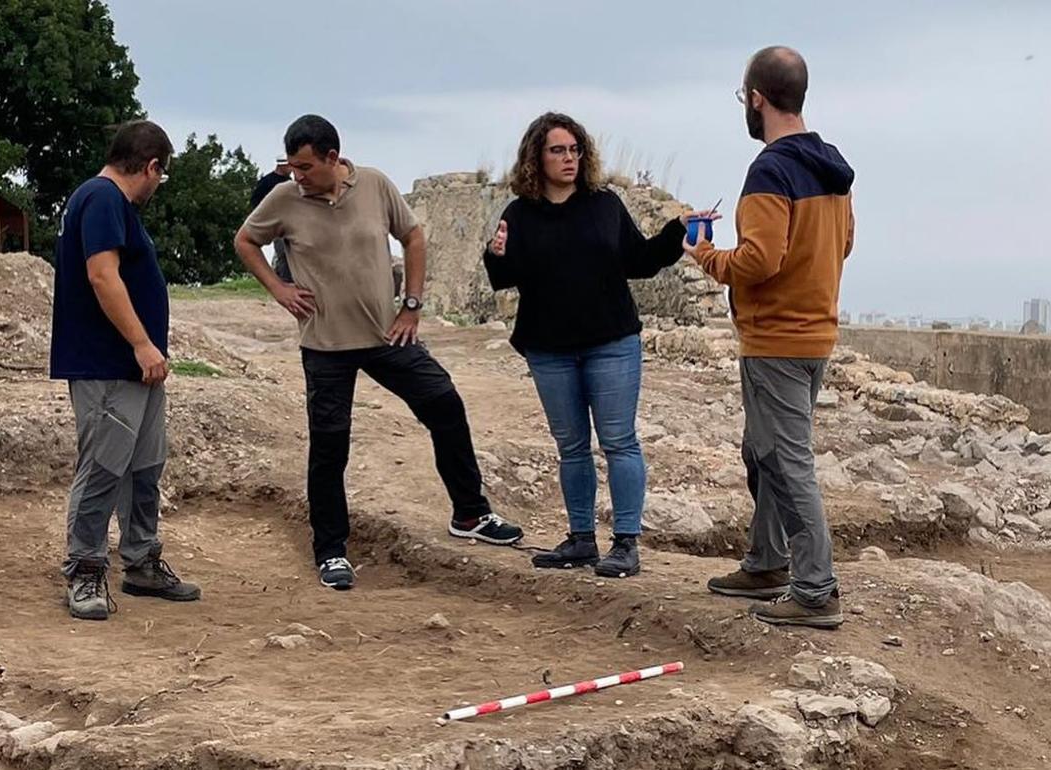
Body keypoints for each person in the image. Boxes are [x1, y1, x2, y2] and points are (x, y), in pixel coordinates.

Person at [234, 114, 524, 590]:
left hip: (386, 336)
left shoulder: (374, 185)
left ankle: (470, 514)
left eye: (306, 167)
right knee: (330, 447)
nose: (298, 176)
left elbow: (411, 235)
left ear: (333, 158)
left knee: (445, 404)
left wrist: (411, 305)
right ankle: (330, 552)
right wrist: (279, 289)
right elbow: (245, 241)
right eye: (292, 167)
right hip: (324, 346)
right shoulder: (284, 197)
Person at [483, 112, 720, 578]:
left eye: (574, 150)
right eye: (557, 150)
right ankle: (581, 540)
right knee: (571, 446)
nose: (568, 158)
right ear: (537, 156)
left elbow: (639, 261)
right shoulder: (520, 213)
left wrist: (677, 231)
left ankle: (626, 544)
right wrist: (494, 254)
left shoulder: (604, 204)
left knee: (619, 441)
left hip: (611, 342)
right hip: (549, 348)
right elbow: (505, 276)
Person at [683, 46, 855, 629]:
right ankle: (766, 562)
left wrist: (703, 253)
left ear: (757, 98)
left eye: (743, 97)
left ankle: (814, 591)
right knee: (763, 454)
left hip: (776, 340)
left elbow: (759, 259)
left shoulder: (771, 169)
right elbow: (844, 242)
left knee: (785, 461)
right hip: (814, 335)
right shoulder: (831, 165)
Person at [49, 119, 201, 621]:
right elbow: (101, 273)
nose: (159, 184)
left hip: (136, 368)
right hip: (110, 364)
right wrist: (140, 343)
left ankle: (140, 560)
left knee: (143, 466)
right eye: (163, 174)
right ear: (152, 166)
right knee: (103, 468)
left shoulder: (108, 204)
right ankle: (85, 569)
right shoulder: (103, 198)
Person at [251, 158, 295, 283]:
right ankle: (284, 280)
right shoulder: (267, 182)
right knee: (282, 252)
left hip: (290, 221)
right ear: (282, 166)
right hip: (276, 223)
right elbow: (255, 201)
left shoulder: (289, 182)